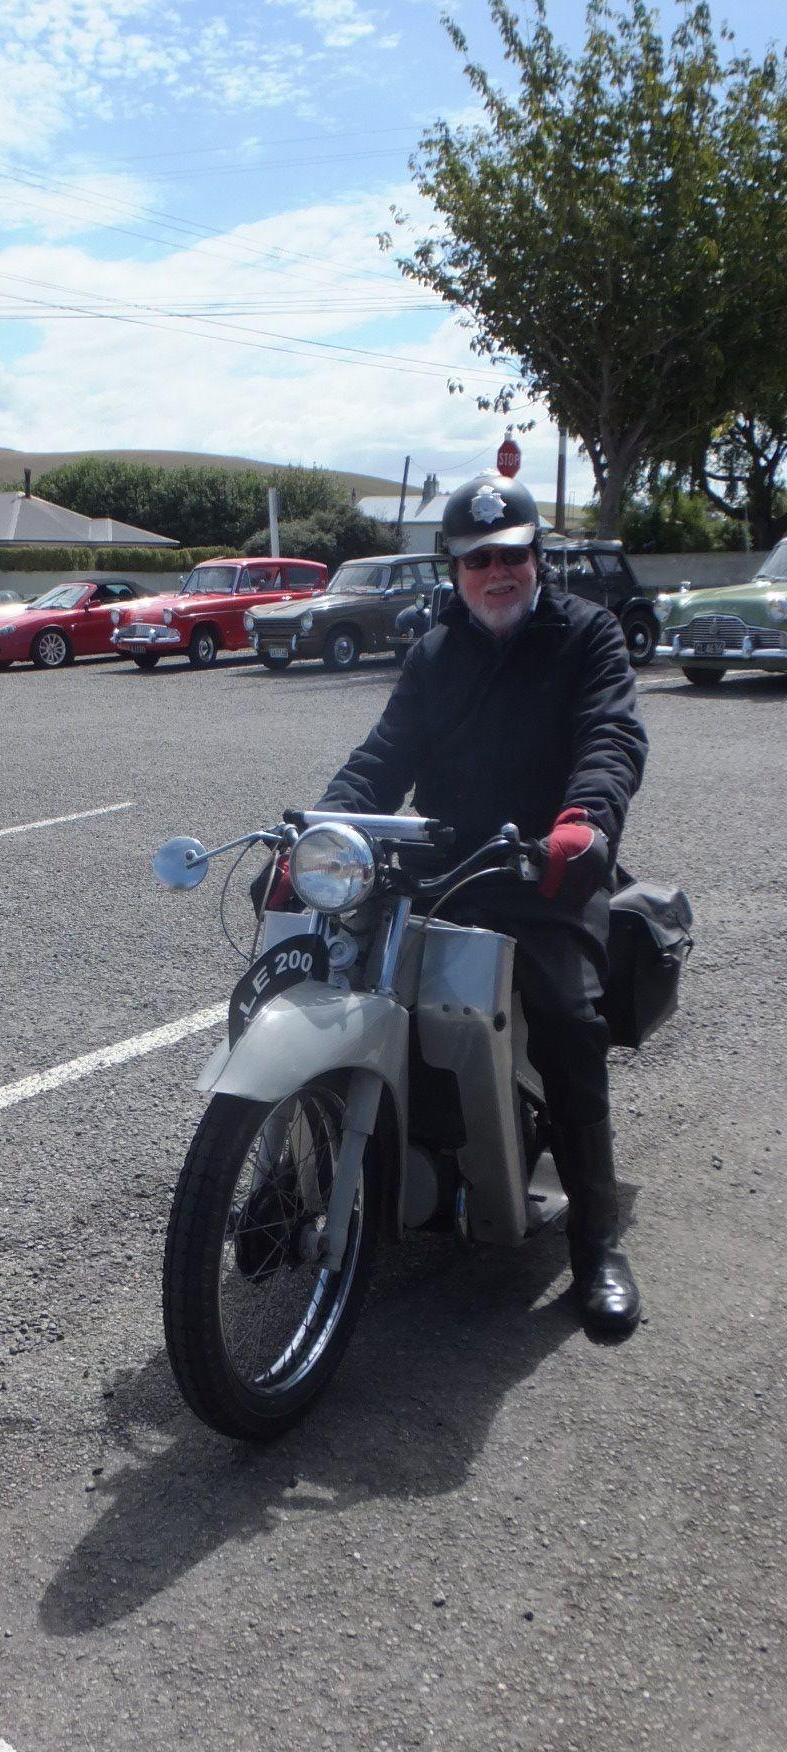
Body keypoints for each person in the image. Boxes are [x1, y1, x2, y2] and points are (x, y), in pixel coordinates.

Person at [284, 472, 650, 1333]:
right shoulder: (436, 651)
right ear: (455, 570)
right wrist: (323, 829)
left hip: (544, 869)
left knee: (565, 1016)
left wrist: (584, 823)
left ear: (536, 557)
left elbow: (611, 736)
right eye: (478, 559)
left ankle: (596, 1243)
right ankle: (311, 1175)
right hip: (444, 861)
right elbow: (384, 755)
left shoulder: (586, 635)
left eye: (511, 555)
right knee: (330, 968)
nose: (497, 572)